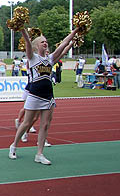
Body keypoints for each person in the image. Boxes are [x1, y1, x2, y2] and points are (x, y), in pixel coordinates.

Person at [9, 26, 79, 165]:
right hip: (35, 94)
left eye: (46, 41)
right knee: (26, 123)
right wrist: (22, 29)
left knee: (45, 125)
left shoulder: (50, 58)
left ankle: (39, 154)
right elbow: (27, 41)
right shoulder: (33, 57)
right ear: (36, 45)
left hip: (48, 95)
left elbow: (63, 44)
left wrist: (76, 30)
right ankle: (14, 146)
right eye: (42, 42)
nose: (45, 43)